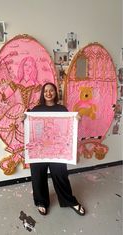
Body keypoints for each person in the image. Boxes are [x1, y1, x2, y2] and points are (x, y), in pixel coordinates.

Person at [28, 82, 85, 216]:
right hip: (39, 149)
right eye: (46, 91)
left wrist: (76, 119)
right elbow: (31, 129)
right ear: (43, 93)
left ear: (55, 93)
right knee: (38, 176)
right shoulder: (36, 109)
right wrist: (23, 119)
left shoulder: (62, 109)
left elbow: (68, 128)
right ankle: (41, 201)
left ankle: (69, 201)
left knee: (61, 176)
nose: (48, 93)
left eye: (51, 90)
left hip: (57, 150)